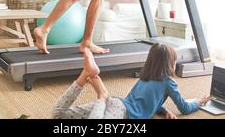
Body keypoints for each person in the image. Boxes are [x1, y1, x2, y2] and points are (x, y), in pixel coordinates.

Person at [51, 43, 210, 119]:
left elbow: (144, 102)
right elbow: (184, 107)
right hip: (119, 110)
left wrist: (163, 110)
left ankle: (85, 74)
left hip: (114, 104)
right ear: (170, 63)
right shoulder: (168, 82)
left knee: (58, 115)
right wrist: (199, 102)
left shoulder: (144, 77)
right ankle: (101, 94)